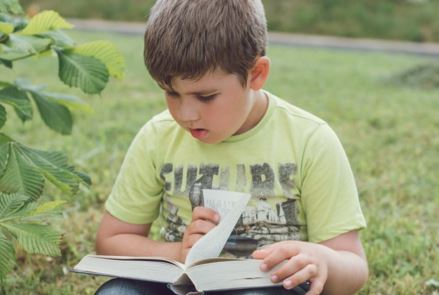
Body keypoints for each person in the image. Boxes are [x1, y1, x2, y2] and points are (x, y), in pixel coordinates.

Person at [94, 0, 369, 294]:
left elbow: (353, 266)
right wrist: (178, 252)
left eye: (206, 96)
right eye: (171, 93)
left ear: (256, 75)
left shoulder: (310, 141)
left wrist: (323, 259)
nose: (186, 114)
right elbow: (111, 239)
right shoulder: (158, 137)